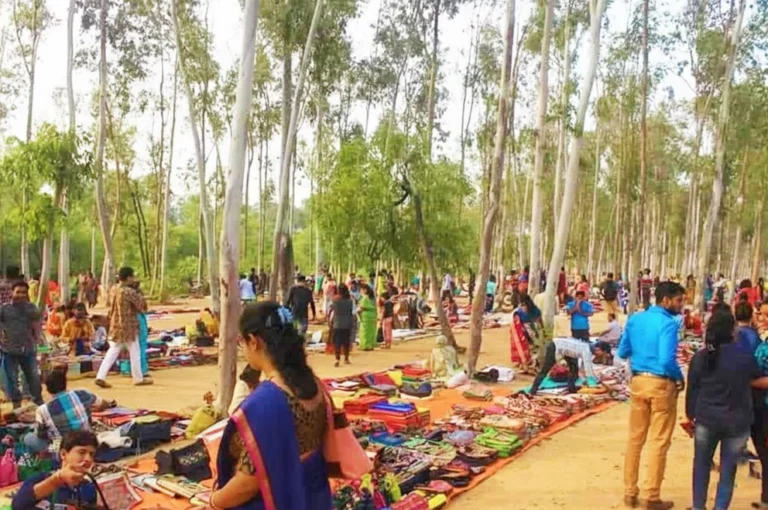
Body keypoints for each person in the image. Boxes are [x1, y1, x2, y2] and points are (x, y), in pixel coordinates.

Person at [213, 302, 332, 510]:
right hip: (313, 498)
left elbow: (248, 482)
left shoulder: (266, 403)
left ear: (254, 341)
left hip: (280, 500)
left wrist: (214, 502)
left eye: (242, 342)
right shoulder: (313, 384)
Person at [686, 305, 768, 510]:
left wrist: (690, 415)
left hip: (706, 420)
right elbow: (757, 379)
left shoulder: (700, 358)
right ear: (732, 331)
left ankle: (698, 506)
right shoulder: (744, 357)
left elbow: (692, 391)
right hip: (737, 422)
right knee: (728, 471)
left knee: (701, 466)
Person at [619, 281, 686, 510]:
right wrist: (679, 377)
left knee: (635, 439)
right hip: (661, 384)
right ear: (665, 300)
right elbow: (667, 359)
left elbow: (622, 351)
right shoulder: (668, 324)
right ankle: (651, 495)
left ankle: (630, 492)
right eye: (678, 300)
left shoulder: (635, 320)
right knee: (658, 441)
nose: (681, 305)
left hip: (639, 382)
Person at [24, 368, 112, 453]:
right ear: (65, 383)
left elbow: (41, 435)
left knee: (28, 438)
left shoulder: (43, 410)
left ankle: (49, 456)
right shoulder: (83, 393)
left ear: (47, 389)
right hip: (88, 442)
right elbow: (102, 403)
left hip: (64, 451)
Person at [12, 431, 101, 510]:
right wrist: (58, 479)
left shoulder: (89, 488)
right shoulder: (40, 478)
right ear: (63, 454)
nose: (88, 459)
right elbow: (18, 505)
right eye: (82, 452)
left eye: (92, 454)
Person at [95, 267, 152, 388]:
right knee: (135, 352)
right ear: (128, 277)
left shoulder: (114, 289)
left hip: (116, 325)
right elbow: (142, 306)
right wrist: (138, 292)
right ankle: (138, 378)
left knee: (112, 352)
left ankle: (100, 376)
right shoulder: (129, 292)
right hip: (129, 326)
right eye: (132, 276)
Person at [1, 281, 44, 408]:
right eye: (18, 292)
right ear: (12, 293)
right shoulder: (4, 309)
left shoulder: (31, 308)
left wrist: (38, 340)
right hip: (8, 350)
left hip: (28, 349)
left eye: (24, 292)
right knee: (11, 379)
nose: (21, 295)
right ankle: (16, 403)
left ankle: (38, 401)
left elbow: (37, 324)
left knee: (33, 377)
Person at [330, 284, 354, 367]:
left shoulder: (335, 300)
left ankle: (337, 359)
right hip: (347, 323)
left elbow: (332, 310)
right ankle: (346, 359)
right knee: (346, 342)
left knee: (337, 342)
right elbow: (350, 312)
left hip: (337, 323)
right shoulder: (350, 301)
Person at [357, 284, 377, 351]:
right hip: (372, 315)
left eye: (361, 290)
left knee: (364, 331)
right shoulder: (372, 298)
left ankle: (365, 345)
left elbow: (361, 308)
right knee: (371, 331)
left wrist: (357, 313)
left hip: (366, 316)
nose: (360, 291)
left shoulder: (364, 298)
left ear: (365, 290)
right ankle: (370, 345)